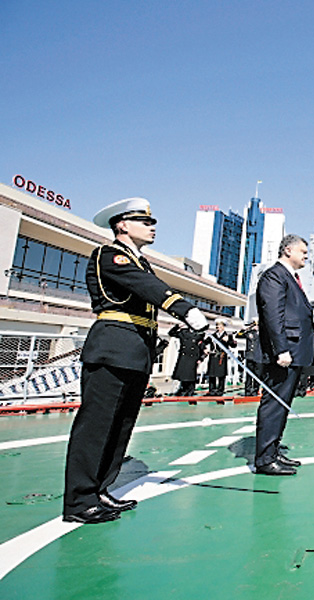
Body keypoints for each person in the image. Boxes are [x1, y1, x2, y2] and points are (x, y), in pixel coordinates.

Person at [63, 197, 208, 523]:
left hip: (134, 351)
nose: (152, 226)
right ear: (122, 225)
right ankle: (78, 501)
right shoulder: (110, 254)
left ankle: (100, 489)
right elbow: (147, 287)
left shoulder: (141, 261)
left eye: (152, 222)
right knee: (97, 427)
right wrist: (183, 308)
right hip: (112, 348)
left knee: (121, 426)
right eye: (145, 222)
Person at [254, 234, 314, 476]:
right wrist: (281, 349)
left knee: (283, 404)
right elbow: (272, 314)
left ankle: (273, 451)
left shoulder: (290, 277)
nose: (306, 256)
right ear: (287, 250)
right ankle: (265, 459)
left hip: (293, 350)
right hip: (285, 351)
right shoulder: (275, 275)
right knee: (274, 404)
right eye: (302, 251)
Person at [169, 323, 204, 397]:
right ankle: (183, 389)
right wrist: (177, 326)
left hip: (193, 357)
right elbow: (171, 333)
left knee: (190, 376)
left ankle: (190, 391)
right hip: (184, 356)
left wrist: (201, 358)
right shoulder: (183, 332)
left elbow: (202, 347)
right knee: (183, 374)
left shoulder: (199, 334)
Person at [204, 319, 236, 396]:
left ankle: (220, 390)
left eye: (220, 326)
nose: (219, 327)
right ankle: (212, 390)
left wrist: (228, 340)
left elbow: (233, 345)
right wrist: (205, 349)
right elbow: (204, 343)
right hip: (213, 356)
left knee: (221, 375)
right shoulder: (212, 336)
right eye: (217, 326)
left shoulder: (228, 336)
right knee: (212, 374)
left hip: (222, 356)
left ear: (223, 327)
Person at [235, 320, 261, 397]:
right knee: (249, 375)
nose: (256, 327)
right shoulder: (250, 333)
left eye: (257, 325)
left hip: (259, 356)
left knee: (257, 375)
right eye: (255, 325)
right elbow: (238, 335)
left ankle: (255, 390)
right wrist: (247, 328)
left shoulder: (263, 334)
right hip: (250, 356)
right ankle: (248, 390)